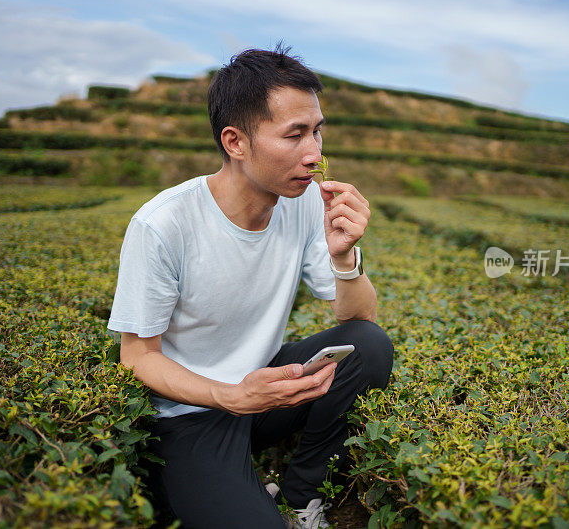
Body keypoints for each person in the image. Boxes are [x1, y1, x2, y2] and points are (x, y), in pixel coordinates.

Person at [107, 42, 394, 529]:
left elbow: (358, 317)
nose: (314, 154)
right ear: (236, 142)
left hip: (262, 391)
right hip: (190, 415)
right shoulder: (163, 224)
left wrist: (344, 257)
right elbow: (137, 357)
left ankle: (303, 496)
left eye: (318, 132)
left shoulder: (301, 201)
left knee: (368, 345)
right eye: (295, 135)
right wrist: (229, 396)